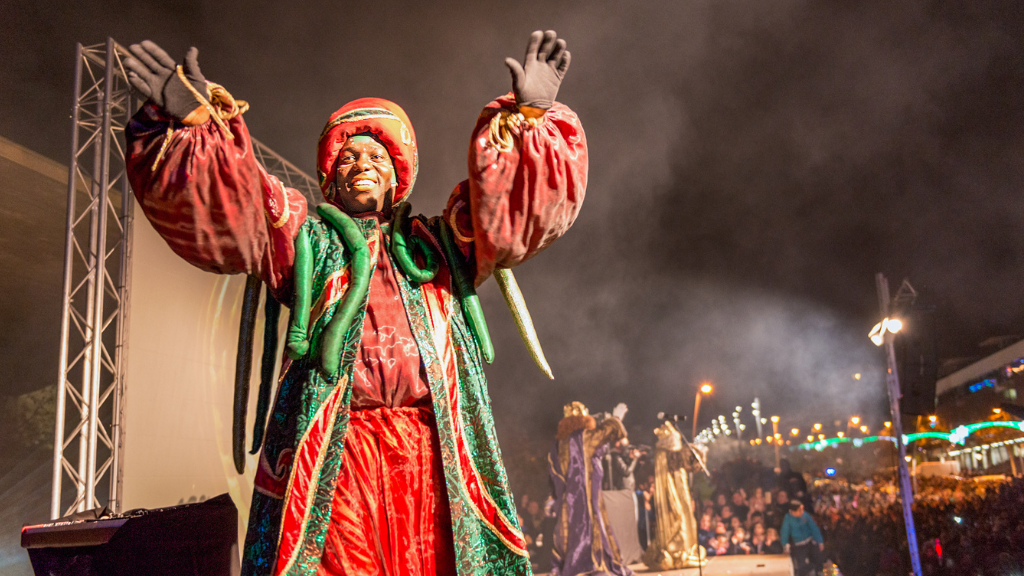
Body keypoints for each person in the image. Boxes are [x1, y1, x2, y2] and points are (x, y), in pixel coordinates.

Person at [123, 30, 586, 576]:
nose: (361, 161)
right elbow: (239, 206)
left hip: (432, 453)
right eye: (348, 154)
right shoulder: (303, 239)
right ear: (330, 178)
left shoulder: (440, 243)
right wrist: (196, 130)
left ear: (396, 176)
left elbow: (509, 217)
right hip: (335, 455)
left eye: (375, 154)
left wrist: (531, 120)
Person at [549, 402, 633, 576]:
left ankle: (571, 564)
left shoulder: (560, 443)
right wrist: (616, 418)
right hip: (584, 494)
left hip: (569, 496)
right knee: (588, 526)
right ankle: (587, 562)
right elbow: (603, 434)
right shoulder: (580, 438)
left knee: (570, 529)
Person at [641, 420, 707, 570]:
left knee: (684, 513)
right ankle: (676, 549)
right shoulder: (663, 453)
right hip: (673, 489)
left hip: (680, 485)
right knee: (678, 514)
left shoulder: (672, 456)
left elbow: (682, 464)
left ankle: (684, 547)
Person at [780, 502, 825, 576]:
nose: (802, 512)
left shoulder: (805, 515)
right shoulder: (788, 518)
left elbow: (813, 528)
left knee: (818, 559)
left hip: (810, 541)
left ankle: (820, 573)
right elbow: (785, 532)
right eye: (800, 510)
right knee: (801, 565)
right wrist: (785, 546)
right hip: (799, 544)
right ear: (793, 511)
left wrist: (820, 541)